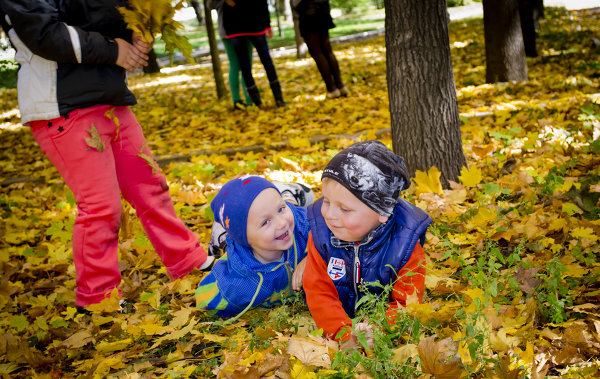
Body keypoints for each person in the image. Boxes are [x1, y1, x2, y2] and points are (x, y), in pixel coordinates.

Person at [2, 0, 213, 308]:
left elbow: (104, 13)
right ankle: (98, 297)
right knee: (102, 206)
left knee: (151, 186)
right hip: (62, 107)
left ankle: (188, 260)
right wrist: (115, 50)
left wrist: (137, 33)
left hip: (110, 99)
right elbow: (45, 33)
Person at [303, 140, 432, 348]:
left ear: (382, 212)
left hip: (377, 320)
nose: (329, 214)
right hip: (340, 317)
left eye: (345, 209)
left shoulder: (405, 245)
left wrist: (380, 329)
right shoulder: (321, 235)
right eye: (326, 201)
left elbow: (407, 303)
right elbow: (318, 291)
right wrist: (342, 333)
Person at [196, 176, 311, 318]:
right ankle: (222, 233)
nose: (281, 223)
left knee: (292, 212)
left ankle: (287, 198)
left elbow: (330, 229)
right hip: (238, 237)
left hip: (294, 214)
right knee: (229, 238)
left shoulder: (302, 226)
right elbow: (204, 299)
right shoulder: (239, 284)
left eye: (281, 209)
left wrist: (312, 258)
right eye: (266, 222)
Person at [222, 0, 286, 108]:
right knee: (259, 62)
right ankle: (271, 101)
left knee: (251, 63)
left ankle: (263, 102)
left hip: (244, 24)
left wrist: (267, 25)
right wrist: (267, 25)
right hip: (241, 24)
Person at [293, 0, 348, 99]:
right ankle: (340, 86)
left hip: (308, 13)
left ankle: (332, 89)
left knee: (318, 53)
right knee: (327, 51)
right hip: (322, 10)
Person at [209, 0, 253, 110]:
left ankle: (238, 100)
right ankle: (248, 99)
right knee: (244, 64)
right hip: (242, 29)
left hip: (229, 30)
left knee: (236, 65)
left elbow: (210, 5)